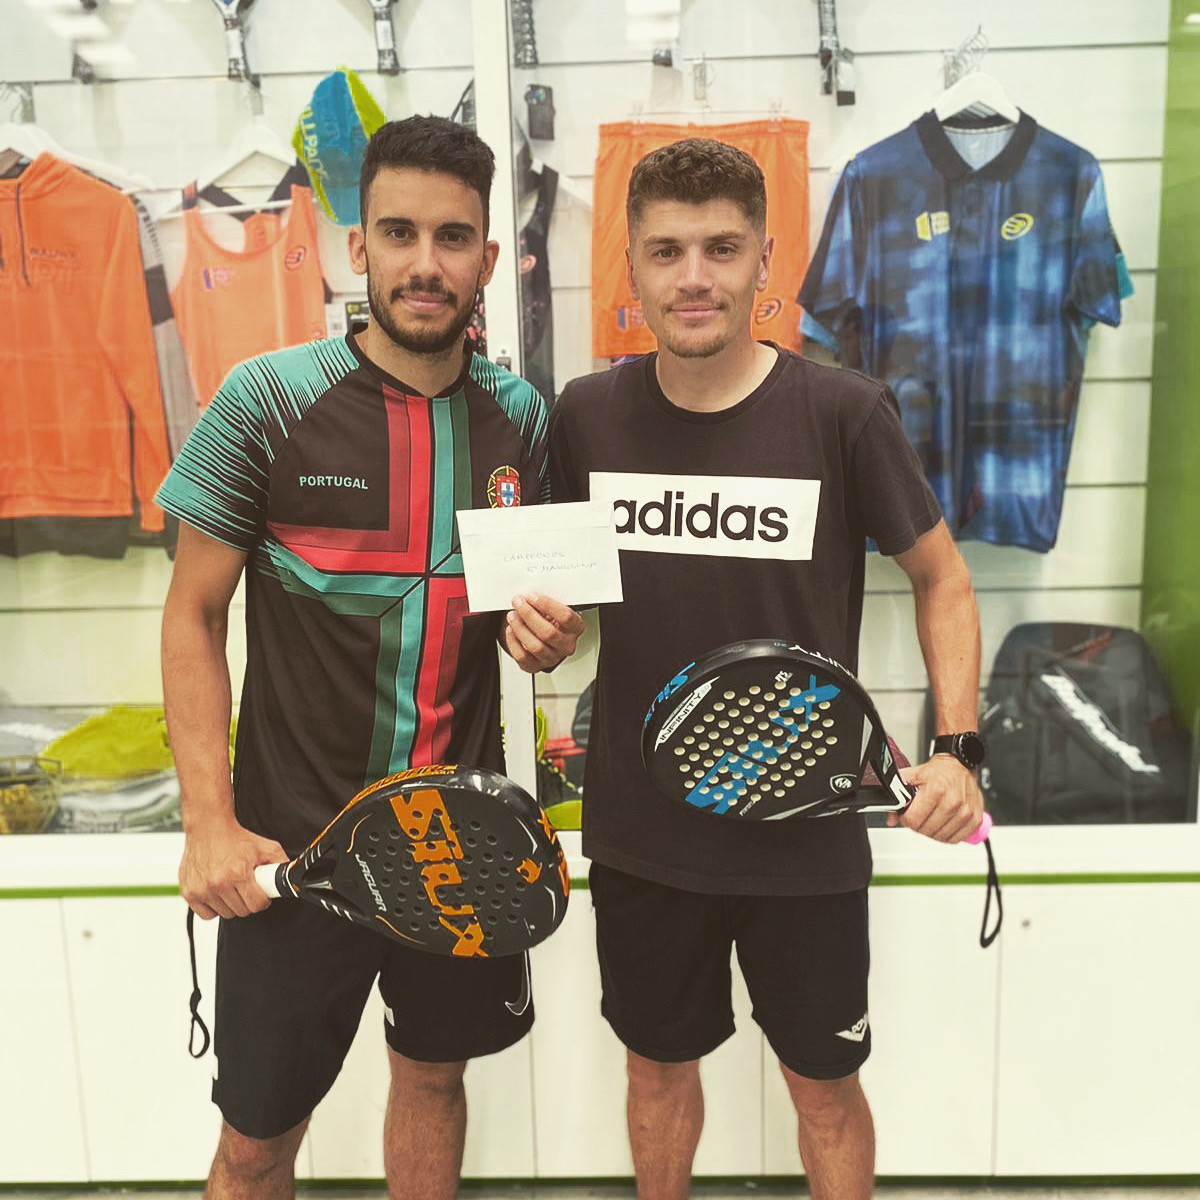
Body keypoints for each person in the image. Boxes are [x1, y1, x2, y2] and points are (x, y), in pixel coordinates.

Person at [548, 138, 987, 1200]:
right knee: (656, 1072)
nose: (693, 277)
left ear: (765, 260)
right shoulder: (586, 415)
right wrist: (542, 635)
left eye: (721, 248)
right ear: (632, 264)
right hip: (644, 833)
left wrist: (957, 749)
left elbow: (943, 579)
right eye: (667, 251)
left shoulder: (843, 412)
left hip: (806, 830)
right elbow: (563, 610)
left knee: (824, 1089)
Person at [158, 115, 584, 1200]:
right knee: (257, 1140)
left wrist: (553, 633)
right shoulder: (264, 402)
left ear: (489, 258)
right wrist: (208, 820)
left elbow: (535, 613)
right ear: (358, 246)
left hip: (457, 844)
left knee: (434, 1081)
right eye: (399, 233)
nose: (425, 263)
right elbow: (192, 615)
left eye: (453, 237)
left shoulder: (523, 421)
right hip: (291, 849)